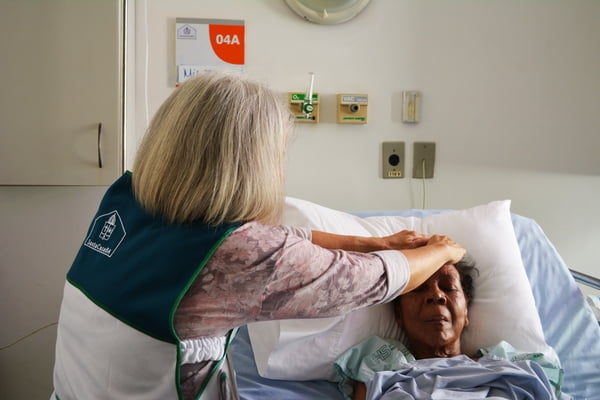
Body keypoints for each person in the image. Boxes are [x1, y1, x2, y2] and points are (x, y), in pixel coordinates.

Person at [51, 72, 466, 400]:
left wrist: (374, 242)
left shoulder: (127, 201)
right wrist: (443, 249)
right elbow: (375, 278)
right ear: (251, 167)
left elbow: (272, 238)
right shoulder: (241, 258)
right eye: (278, 157)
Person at [334, 259, 565, 400]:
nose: (436, 295)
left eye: (448, 287)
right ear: (399, 316)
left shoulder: (514, 367)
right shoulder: (381, 368)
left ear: (466, 313)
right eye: (419, 288)